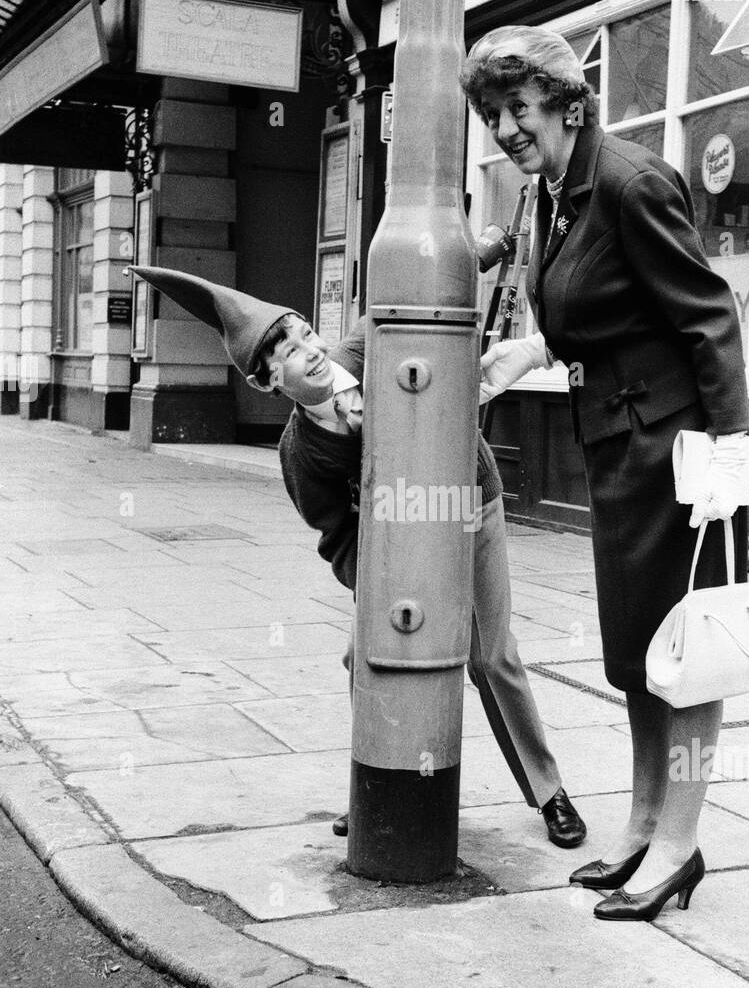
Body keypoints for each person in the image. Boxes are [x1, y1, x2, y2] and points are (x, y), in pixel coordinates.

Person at [130, 264, 586, 850]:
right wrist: (381, 580)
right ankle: (376, 785)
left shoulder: (370, 343)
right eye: (288, 354)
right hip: (392, 547)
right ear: (270, 384)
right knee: (363, 654)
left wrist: (478, 255)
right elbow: (336, 536)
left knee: (489, 656)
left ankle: (549, 792)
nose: (309, 351)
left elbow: (422, 293)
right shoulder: (300, 452)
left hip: (468, 506)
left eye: (304, 334)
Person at [461, 26, 749, 921]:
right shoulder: (554, 193)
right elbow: (602, 307)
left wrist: (729, 452)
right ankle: (638, 828)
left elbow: (707, 314)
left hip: (679, 454)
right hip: (618, 447)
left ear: (565, 103)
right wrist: (531, 351)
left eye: (516, 109)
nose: (504, 130)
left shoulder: (630, 181)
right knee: (635, 656)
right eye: (492, 115)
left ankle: (678, 845)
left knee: (691, 656)